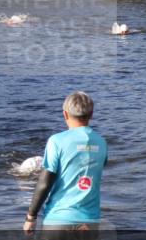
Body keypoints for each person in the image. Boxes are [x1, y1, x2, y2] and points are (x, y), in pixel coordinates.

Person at [23, 92, 108, 232]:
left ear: (65, 114)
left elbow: (45, 183)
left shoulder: (56, 141)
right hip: (90, 222)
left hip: (58, 220)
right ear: (91, 114)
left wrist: (31, 217)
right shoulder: (102, 142)